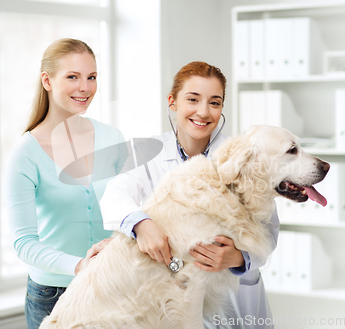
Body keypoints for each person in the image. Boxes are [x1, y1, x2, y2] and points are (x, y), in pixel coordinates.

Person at [100, 61, 280, 329]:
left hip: (232, 295)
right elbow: (114, 195)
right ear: (172, 102)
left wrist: (239, 259)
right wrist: (141, 224)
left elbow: (268, 230)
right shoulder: (147, 152)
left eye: (215, 102)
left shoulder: (243, 158)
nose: (204, 112)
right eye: (193, 99)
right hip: (173, 293)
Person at [4, 38, 127, 329]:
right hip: (52, 296)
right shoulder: (25, 153)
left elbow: (131, 210)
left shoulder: (112, 138)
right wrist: (78, 266)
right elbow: (24, 244)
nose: (85, 87)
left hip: (112, 286)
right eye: (73, 77)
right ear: (47, 81)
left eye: (91, 77)